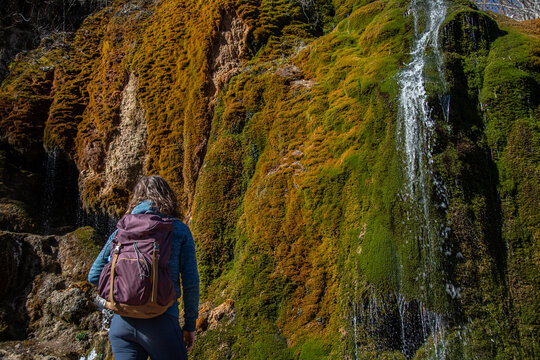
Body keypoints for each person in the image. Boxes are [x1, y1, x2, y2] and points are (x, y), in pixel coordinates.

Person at [88, 175, 199, 360]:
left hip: (121, 325)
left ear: (136, 199)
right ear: (168, 198)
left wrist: (123, 292)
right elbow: (191, 283)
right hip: (161, 323)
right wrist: (190, 325)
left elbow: (94, 275)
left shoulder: (121, 231)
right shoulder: (178, 230)